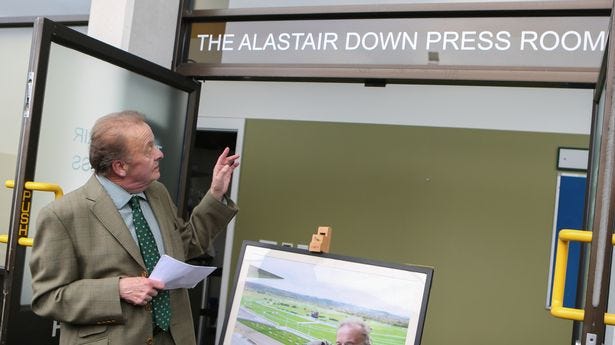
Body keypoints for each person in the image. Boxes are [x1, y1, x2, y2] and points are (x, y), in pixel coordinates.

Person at [29, 110, 239, 345]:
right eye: (149, 148)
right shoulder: (62, 215)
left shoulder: (157, 193)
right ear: (120, 167)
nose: (159, 153)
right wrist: (117, 289)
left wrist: (216, 193)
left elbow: (185, 245)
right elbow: (47, 298)